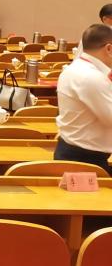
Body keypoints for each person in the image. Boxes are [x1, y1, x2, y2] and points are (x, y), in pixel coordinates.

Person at [54, 24, 112, 175]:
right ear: (109, 49)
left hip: (75, 152)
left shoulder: (75, 69)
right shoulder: (91, 77)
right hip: (84, 159)